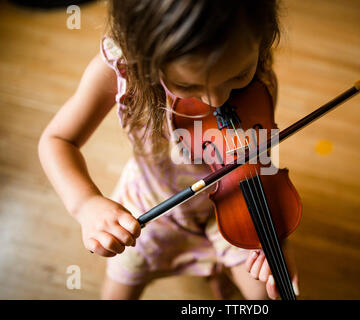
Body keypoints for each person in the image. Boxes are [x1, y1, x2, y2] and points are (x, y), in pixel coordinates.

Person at [38, 0, 299, 300]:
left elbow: (256, 166)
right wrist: (85, 204)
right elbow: (57, 140)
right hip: (151, 204)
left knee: (266, 295)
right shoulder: (118, 72)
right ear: (143, 57)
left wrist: (273, 240)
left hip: (235, 207)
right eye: (186, 85)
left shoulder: (259, 76)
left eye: (237, 76)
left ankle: (220, 274)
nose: (216, 100)